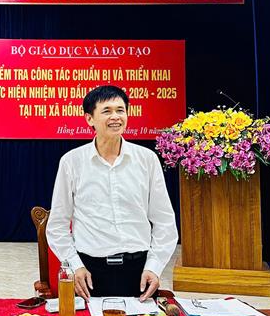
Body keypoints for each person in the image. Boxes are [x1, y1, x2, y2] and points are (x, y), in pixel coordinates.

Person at [46, 85, 178, 302]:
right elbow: (57, 225)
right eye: (107, 111)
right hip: (89, 273)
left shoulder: (147, 159)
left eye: (120, 110)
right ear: (89, 119)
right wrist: (75, 266)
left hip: (139, 271)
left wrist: (154, 267)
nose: (115, 117)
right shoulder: (72, 162)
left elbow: (164, 222)